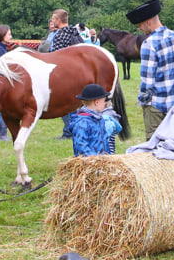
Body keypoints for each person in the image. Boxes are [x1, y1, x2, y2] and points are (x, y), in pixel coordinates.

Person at [127, 0, 174, 141]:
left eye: (140, 24)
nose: (139, 28)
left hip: (157, 109)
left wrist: (142, 101)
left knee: (155, 150)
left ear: (148, 22)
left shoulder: (149, 44)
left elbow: (147, 83)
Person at [49, 9, 84, 138]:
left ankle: (70, 131)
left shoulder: (60, 35)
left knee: (63, 105)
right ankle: (73, 130)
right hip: (78, 74)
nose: (52, 22)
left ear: (59, 20)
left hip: (65, 76)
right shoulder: (74, 33)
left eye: (53, 19)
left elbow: (57, 59)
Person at [70, 84, 122, 156]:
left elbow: (105, 142)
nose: (104, 104)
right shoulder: (82, 122)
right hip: (88, 164)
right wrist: (94, 160)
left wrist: (107, 157)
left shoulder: (100, 119)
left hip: (101, 161)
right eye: (103, 101)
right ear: (96, 102)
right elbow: (81, 145)